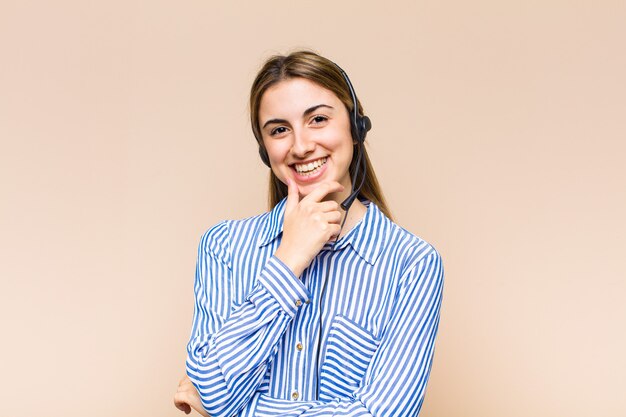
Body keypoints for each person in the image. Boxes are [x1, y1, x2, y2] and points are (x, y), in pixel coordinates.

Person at [174, 50, 444, 417]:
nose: (300, 146)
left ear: (355, 127)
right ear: (264, 149)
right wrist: (288, 260)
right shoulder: (223, 247)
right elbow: (210, 387)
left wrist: (232, 411)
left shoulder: (412, 265)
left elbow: (384, 415)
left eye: (317, 119)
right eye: (279, 129)